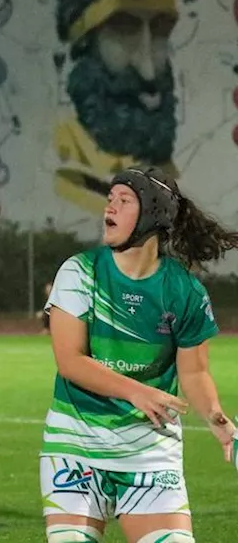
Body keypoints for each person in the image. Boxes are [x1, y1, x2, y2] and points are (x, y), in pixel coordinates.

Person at [41, 166, 238, 543]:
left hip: (150, 451)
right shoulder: (81, 272)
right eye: (109, 199)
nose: (109, 208)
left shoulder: (185, 292)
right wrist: (137, 390)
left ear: (152, 214)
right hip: (76, 444)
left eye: (124, 200)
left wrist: (218, 422)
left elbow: (194, 374)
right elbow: (70, 361)